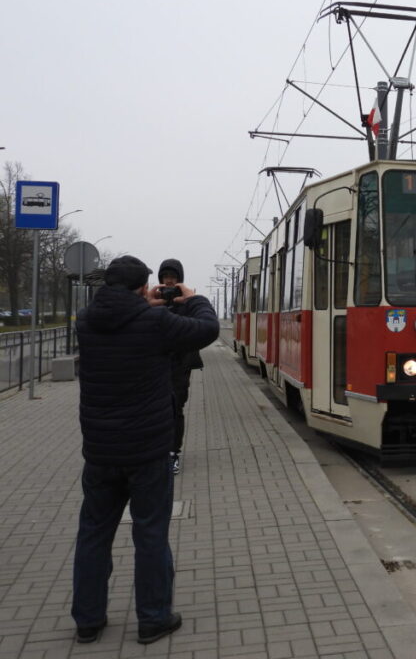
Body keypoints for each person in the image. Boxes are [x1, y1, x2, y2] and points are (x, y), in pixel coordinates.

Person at [72, 255, 219, 645]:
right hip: (148, 452)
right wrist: (192, 297)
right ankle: (153, 618)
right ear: (142, 287)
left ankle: (87, 620)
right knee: (150, 534)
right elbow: (207, 329)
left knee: (92, 534)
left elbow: (121, 321)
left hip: (100, 452)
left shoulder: (85, 322)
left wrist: (142, 304)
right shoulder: (155, 323)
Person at [158, 258, 204, 475]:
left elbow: (197, 328)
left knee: (176, 408)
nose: (169, 281)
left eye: (173, 278)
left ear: (179, 280)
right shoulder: (154, 301)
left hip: (180, 365)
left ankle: (173, 452)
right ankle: (158, 451)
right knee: (158, 410)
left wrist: (186, 302)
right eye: (166, 277)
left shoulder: (186, 303)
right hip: (157, 366)